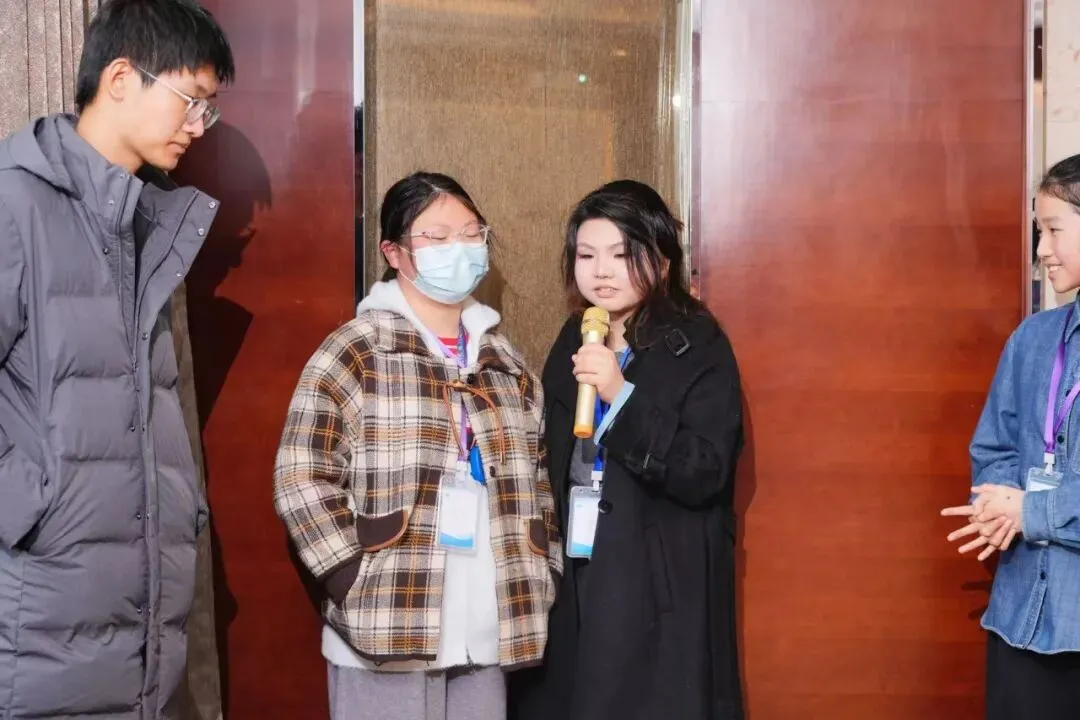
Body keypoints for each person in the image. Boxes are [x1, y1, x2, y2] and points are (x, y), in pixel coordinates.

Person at [0, 0, 234, 718]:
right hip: (41, 611)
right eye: (191, 100)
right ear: (122, 77)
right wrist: (30, 504)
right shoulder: (14, 204)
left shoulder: (143, 221)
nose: (198, 126)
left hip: (137, 617)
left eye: (208, 108)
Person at [274, 172, 562, 720]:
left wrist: (543, 570)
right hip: (390, 616)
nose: (460, 248)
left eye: (471, 233)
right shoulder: (357, 350)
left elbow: (540, 478)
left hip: (490, 621)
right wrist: (348, 574)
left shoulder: (505, 363)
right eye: (438, 236)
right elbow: (300, 473)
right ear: (395, 253)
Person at [508, 180, 745, 720]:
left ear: (661, 261)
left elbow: (704, 472)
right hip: (577, 569)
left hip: (653, 586)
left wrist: (622, 396)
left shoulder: (698, 344)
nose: (602, 271)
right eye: (586, 255)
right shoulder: (576, 336)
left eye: (621, 255)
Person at [941, 154, 1080, 719]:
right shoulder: (1033, 338)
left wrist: (1033, 512)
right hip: (1021, 618)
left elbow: (1032, 507)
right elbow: (994, 447)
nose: (1042, 249)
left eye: (1054, 230)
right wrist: (1000, 507)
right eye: (1037, 232)